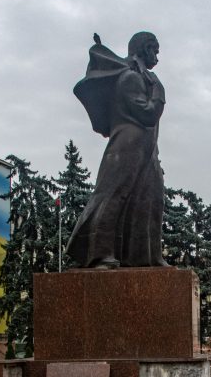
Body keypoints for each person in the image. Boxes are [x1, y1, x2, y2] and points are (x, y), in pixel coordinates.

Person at [67, 32, 167, 268]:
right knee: (113, 195)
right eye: (155, 51)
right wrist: (159, 93)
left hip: (148, 149)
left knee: (150, 199)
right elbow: (148, 114)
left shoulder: (145, 78)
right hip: (127, 145)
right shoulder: (130, 78)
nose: (157, 58)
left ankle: (147, 257)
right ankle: (97, 254)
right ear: (143, 49)